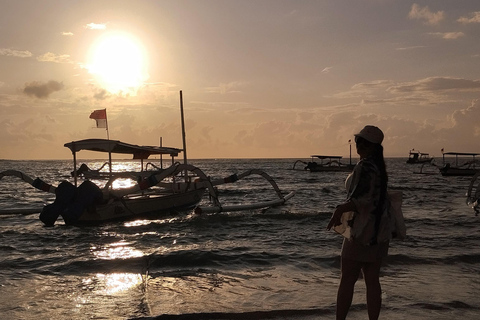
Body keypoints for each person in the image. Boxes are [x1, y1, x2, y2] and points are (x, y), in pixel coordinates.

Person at [327, 125, 389, 320]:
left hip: (362, 231)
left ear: (371, 146)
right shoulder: (380, 167)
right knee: (372, 281)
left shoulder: (364, 167)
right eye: (357, 141)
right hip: (379, 231)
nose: (358, 145)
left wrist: (339, 210)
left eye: (362, 142)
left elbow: (359, 199)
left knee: (347, 280)